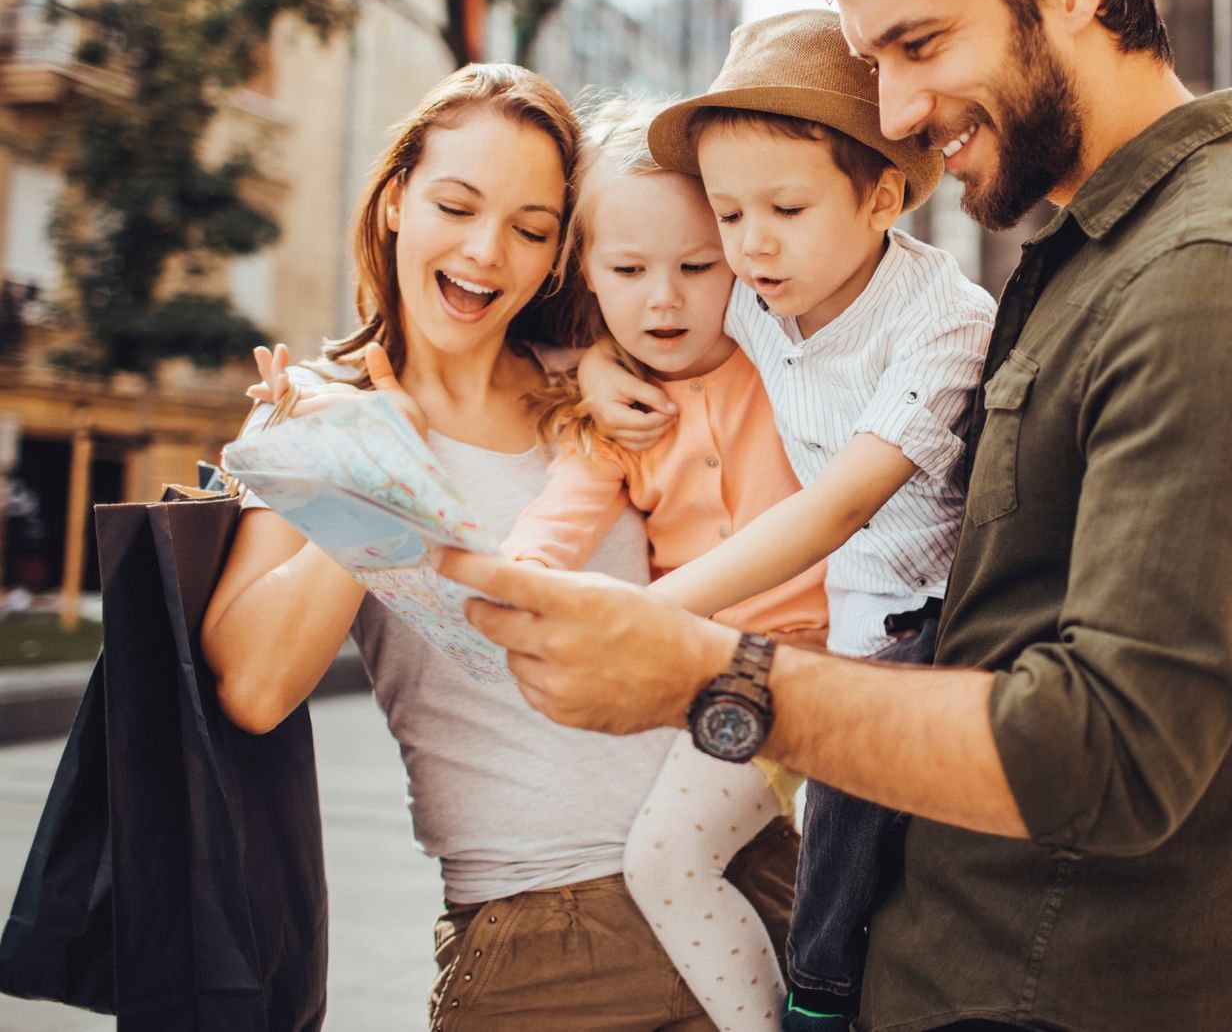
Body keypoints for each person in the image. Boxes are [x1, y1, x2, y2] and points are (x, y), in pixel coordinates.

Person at [445, 0, 1232, 1030]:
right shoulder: (1097, 253)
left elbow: (1111, 752)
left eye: (920, 44)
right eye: (873, 59)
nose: (894, 113)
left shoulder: (1218, 276)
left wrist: (708, 676)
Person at [202, 64, 797, 1031]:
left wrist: (596, 360)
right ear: (396, 199)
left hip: (749, 876)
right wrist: (377, 463)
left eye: (530, 228)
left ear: (561, 252)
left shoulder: (605, 378)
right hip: (546, 942)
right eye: (456, 204)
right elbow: (255, 686)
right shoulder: (324, 418)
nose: (487, 251)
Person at [581, 9, 996, 1026]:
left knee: (845, 874)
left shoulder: (943, 321)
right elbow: (641, 313)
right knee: (809, 855)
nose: (748, 244)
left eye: (784, 207)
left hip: (937, 631)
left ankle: (812, 1004)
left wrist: (656, 611)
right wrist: (596, 363)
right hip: (842, 632)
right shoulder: (757, 292)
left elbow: (840, 505)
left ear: (882, 197)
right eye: (727, 215)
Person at [499, 94, 831, 1030]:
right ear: (585, 275)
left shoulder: (785, 351)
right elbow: (550, 531)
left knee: (842, 870)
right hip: (732, 681)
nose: (664, 298)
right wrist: (509, 585)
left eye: (697, 265)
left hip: (842, 651)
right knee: (671, 858)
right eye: (628, 269)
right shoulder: (617, 414)